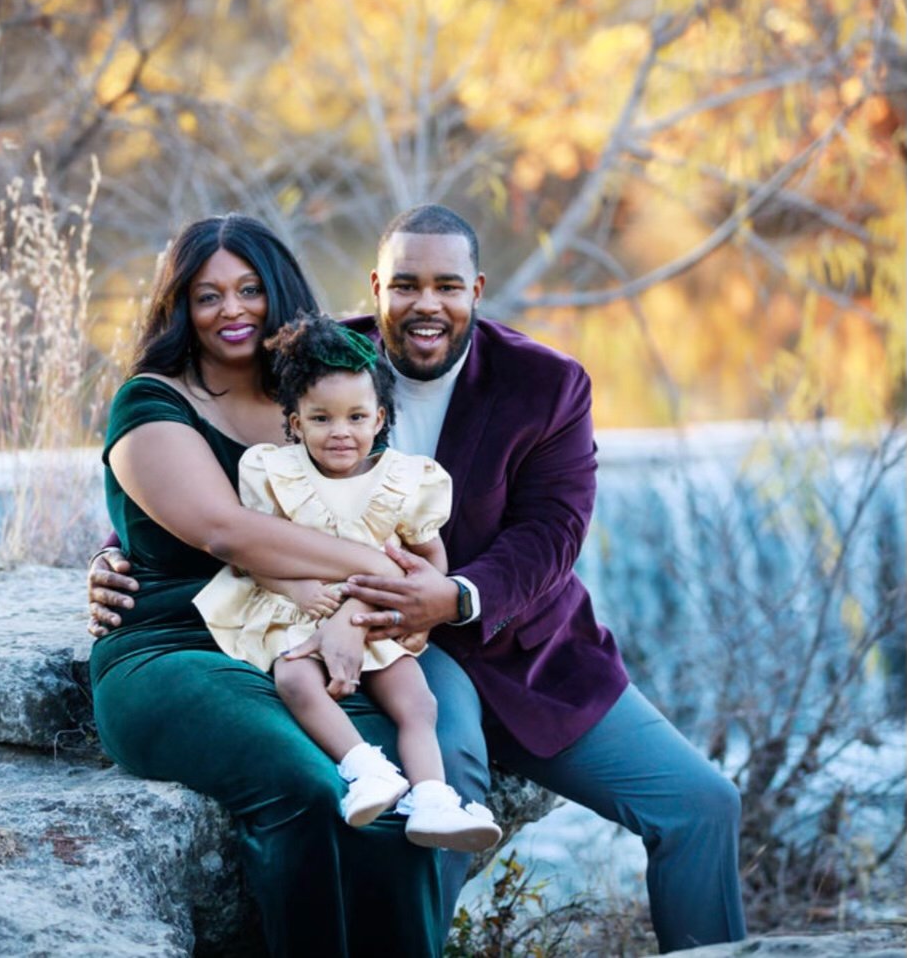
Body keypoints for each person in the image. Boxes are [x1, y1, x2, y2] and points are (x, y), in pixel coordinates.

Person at [90, 204, 748, 953]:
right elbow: (216, 496)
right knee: (426, 775)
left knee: (702, 804)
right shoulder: (317, 364)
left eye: (446, 286)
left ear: (477, 288)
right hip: (376, 641)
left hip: (517, 643)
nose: (425, 304)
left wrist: (457, 596)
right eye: (405, 285)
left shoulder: (545, 384)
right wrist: (115, 553)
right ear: (376, 288)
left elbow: (551, 534)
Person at [91, 212, 474, 958]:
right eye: (207, 296)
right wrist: (386, 576)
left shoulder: (325, 397)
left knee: (403, 787)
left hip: (321, 634)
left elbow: (391, 520)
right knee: (307, 784)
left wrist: (368, 608)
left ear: (280, 294)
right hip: (177, 651)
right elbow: (222, 530)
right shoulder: (150, 402)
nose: (231, 311)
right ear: (180, 308)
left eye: (248, 289)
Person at [194, 313, 502, 851]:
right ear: (294, 422)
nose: (341, 432)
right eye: (322, 418)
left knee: (418, 702)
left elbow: (429, 555)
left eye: (357, 417)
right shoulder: (274, 470)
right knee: (294, 680)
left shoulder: (406, 480)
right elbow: (252, 555)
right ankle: (366, 768)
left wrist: (424, 591)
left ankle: (432, 798)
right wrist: (295, 590)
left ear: (380, 418)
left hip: (376, 617)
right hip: (298, 613)